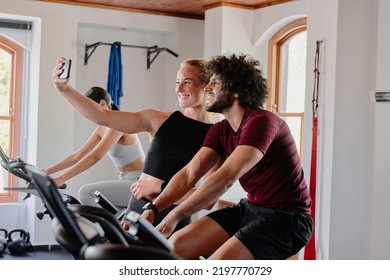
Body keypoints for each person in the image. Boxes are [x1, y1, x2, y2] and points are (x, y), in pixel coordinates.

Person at [141, 53, 313, 260]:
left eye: (215, 82)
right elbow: (189, 174)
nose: (207, 87)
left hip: (288, 219)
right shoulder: (220, 130)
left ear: (236, 91)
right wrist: (154, 207)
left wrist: (174, 216)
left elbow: (225, 178)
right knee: (174, 248)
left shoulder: (262, 122)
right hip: (250, 208)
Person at [51, 57, 218, 231]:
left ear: (207, 86)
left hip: (172, 221)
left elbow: (208, 200)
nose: (179, 88)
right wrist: (64, 89)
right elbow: (102, 116)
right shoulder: (158, 119)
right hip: (136, 210)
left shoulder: (216, 135)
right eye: (177, 82)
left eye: (187, 82)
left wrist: (159, 188)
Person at [45, 86, 145, 211]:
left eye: (89, 110)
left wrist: (61, 178)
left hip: (139, 182)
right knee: (112, 216)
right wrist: (45, 172)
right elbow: (77, 156)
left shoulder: (118, 123)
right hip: (125, 180)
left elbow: (95, 156)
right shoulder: (102, 129)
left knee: (86, 193)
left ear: (102, 104)